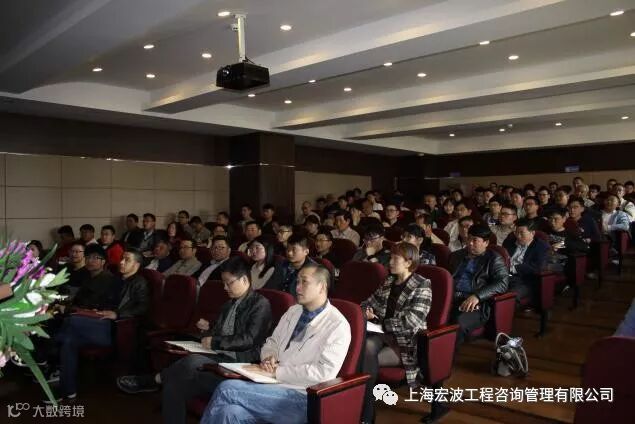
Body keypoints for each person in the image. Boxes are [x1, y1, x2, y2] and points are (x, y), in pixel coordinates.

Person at [117, 256, 272, 424]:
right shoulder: (228, 305)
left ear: (244, 279)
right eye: (224, 283)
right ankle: (159, 381)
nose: (225, 288)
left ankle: (155, 380)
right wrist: (207, 330)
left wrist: (214, 341)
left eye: (229, 283)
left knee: (191, 362)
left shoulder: (260, 304)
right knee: (174, 386)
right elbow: (219, 332)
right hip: (217, 360)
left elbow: (248, 339)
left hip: (238, 366)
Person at [201, 264, 350, 424]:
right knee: (229, 412)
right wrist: (269, 357)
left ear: (322, 286)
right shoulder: (293, 311)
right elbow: (272, 342)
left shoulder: (337, 325)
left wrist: (277, 372)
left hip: (302, 397)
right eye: (297, 282)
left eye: (304, 282)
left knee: (227, 389)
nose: (297, 287)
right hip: (272, 387)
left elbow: (323, 373)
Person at [50, 246, 143, 401]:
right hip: (98, 322)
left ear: (137, 265)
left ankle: (47, 350)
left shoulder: (139, 282)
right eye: (121, 258)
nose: (121, 262)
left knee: (70, 320)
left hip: (114, 328)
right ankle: (68, 390)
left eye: (127, 260)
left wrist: (117, 314)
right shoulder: (118, 279)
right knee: (68, 340)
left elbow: (142, 307)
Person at [361, 242, 431, 423]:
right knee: (364, 348)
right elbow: (367, 302)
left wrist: (382, 323)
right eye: (390, 257)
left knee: (364, 358)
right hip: (382, 334)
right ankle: (365, 408)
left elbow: (411, 321)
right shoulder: (389, 281)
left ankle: (366, 411)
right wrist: (366, 312)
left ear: (408, 263)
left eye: (395, 258)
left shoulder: (422, 284)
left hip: (405, 342)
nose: (390, 262)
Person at [449, 225, 509, 346]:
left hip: (475, 303)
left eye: (475, 240)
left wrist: (478, 296)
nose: (470, 243)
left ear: (486, 243)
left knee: (458, 322)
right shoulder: (456, 255)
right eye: (469, 239)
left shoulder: (494, 259)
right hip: (450, 298)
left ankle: (447, 356)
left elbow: (502, 283)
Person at [503, 219, 550, 302]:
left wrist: (513, 268)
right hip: (503, 276)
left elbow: (538, 267)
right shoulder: (509, 241)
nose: (518, 236)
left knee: (508, 297)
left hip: (524, 280)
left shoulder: (541, 246)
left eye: (522, 233)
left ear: (532, 233)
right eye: (516, 232)